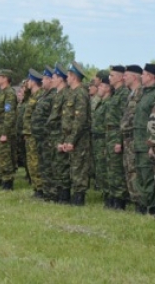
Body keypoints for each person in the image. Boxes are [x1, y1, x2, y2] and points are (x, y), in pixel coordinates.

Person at [60, 61, 90, 206]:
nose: (67, 77)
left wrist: (71, 140)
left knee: (79, 168)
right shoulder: (71, 93)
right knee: (73, 167)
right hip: (69, 136)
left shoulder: (81, 93)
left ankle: (79, 199)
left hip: (79, 139)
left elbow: (80, 120)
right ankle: (74, 196)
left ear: (74, 77)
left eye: (69, 75)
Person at [105, 65, 129, 210]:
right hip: (110, 135)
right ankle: (113, 197)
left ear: (121, 77)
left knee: (117, 169)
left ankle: (120, 201)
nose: (110, 78)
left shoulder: (124, 94)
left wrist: (120, 141)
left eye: (112, 75)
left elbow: (124, 119)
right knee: (111, 169)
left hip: (116, 135)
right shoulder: (115, 94)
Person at [121, 65, 144, 212]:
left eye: (126, 75)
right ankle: (136, 202)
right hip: (128, 140)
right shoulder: (131, 94)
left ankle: (141, 204)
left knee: (136, 172)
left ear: (134, 77)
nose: (124, 77)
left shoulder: (141, 93)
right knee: (130, 171)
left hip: (136, 139)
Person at [46, 63, 71, 203]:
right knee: (56, 166)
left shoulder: (66, 95)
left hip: (61, 136)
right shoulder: (57, 95)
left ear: (61, 79)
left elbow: (65, 120)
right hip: (54, 136)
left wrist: (62, 139)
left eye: (54, 77)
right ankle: (58, 193)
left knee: (62, 166)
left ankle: (64, 196)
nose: (52, 80)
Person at [32, 66, 57, 201]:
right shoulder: (44, 95)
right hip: (40, 137)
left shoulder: (54, 96)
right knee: (43, 165)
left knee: (49, 165)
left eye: (45, 79)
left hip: (47, 137)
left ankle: (52, 193)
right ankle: (46, 192)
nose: (42, 82)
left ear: (50, 80)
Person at [0, 69, 17, 189]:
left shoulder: (9, 93)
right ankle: (2, 179)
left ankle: (8, 182)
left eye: (0, 76)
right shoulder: (1, 93)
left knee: (5, 157)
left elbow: (9, 114)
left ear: (6, 78)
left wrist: (5, 133)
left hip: (3, 129)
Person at [135, 63, 155, 215]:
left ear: (150, 76)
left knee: (149, 177)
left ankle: (151, 208)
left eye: (143, 74)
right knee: (142, 176)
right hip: (139, 143)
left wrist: (152, 144)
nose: (141, 76)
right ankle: (143, 206)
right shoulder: (145, 94)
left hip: (148, 144)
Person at [22, 69, 44, 197]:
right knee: (31, 163)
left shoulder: (40, 95)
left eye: (29, 80)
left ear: (34, 81)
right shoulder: (32, 96)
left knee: (36, 162)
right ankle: (36, 187)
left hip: (35, 134)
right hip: (29, 134)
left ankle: (40, 188)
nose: (27, 83)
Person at [92, 74, 112, 207]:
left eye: (101, 86)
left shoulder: (109, 103)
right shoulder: (101, 102)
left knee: (106, 169)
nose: (98, 88)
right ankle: (106, 194)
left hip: (105, 140)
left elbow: (108, 125)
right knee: (100, 169)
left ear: (107, 88)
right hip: (97, 140)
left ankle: (110, 195)